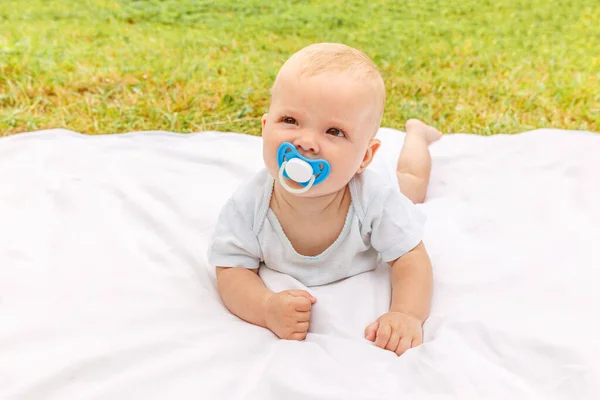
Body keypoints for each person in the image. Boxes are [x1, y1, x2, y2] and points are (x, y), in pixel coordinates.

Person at [208, 43, 441, 356]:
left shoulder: (375, 199)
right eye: (290, 121)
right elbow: (231, 269)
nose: (306, 142)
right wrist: (265, 307)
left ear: (364, 156)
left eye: (334, 131)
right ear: (265, 128)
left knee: (411, 185)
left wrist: (406, 314)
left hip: (385, 185)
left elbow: (410, 257)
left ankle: (416, 135)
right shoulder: (249, 205)